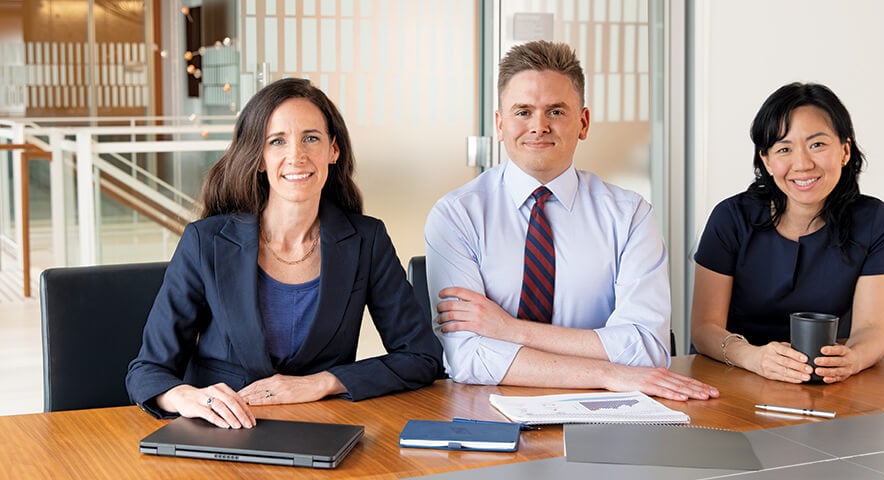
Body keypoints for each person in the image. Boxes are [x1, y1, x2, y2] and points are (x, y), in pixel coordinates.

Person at [126, 78, 443, 428]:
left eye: (311, 138)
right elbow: (147, 371)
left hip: (321, 430)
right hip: (220, 434)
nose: (297, 156)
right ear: (259, 158)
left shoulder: (366, 240)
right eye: (277, 142)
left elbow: (421, 356)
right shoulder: (207, 242)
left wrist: (323, 382)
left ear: (333, 150)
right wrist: (183, 395)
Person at [425, 40, 718, 401]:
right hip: (490, 408)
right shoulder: (457, 215)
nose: (539, 126)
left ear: (583, 122)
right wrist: (609, 372)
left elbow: (645, 347)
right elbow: (468, 356)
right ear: (500, 125)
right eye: (522, 112)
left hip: (609, 411)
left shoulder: (630, 215)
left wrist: (509, 330)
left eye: (556, 111)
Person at [690, 82, 884, 384]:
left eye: (817, 145)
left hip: (826, 383)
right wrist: (754, 358)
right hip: (733, 378)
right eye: (784, 149)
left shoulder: (875, 221)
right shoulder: (731, 218)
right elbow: (704, 328)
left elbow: (872, 330)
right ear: (766, 160)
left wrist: (853, 360)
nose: (802, 164)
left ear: (844, 150)